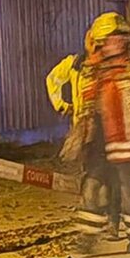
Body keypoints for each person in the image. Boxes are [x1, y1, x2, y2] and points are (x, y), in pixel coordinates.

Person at [62, 12, 130, 254]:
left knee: (128, 192)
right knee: (91, 189)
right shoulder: (93, 70)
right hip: (98, 144)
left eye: (117, 38)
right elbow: (85, 103)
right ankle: (88, 237)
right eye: (107, 39)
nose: (113, 43)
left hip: (127, 143)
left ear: (125, 40)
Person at [47, 24, 123, 240]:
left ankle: (111, 222)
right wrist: (62, 105)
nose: (94, 46)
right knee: (91, 174)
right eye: (92, 42)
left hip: (110, 131)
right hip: (86, 131)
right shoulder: (75, 64)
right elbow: (52, 79)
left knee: (112, 177)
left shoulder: (111, 65)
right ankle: (95, 220)